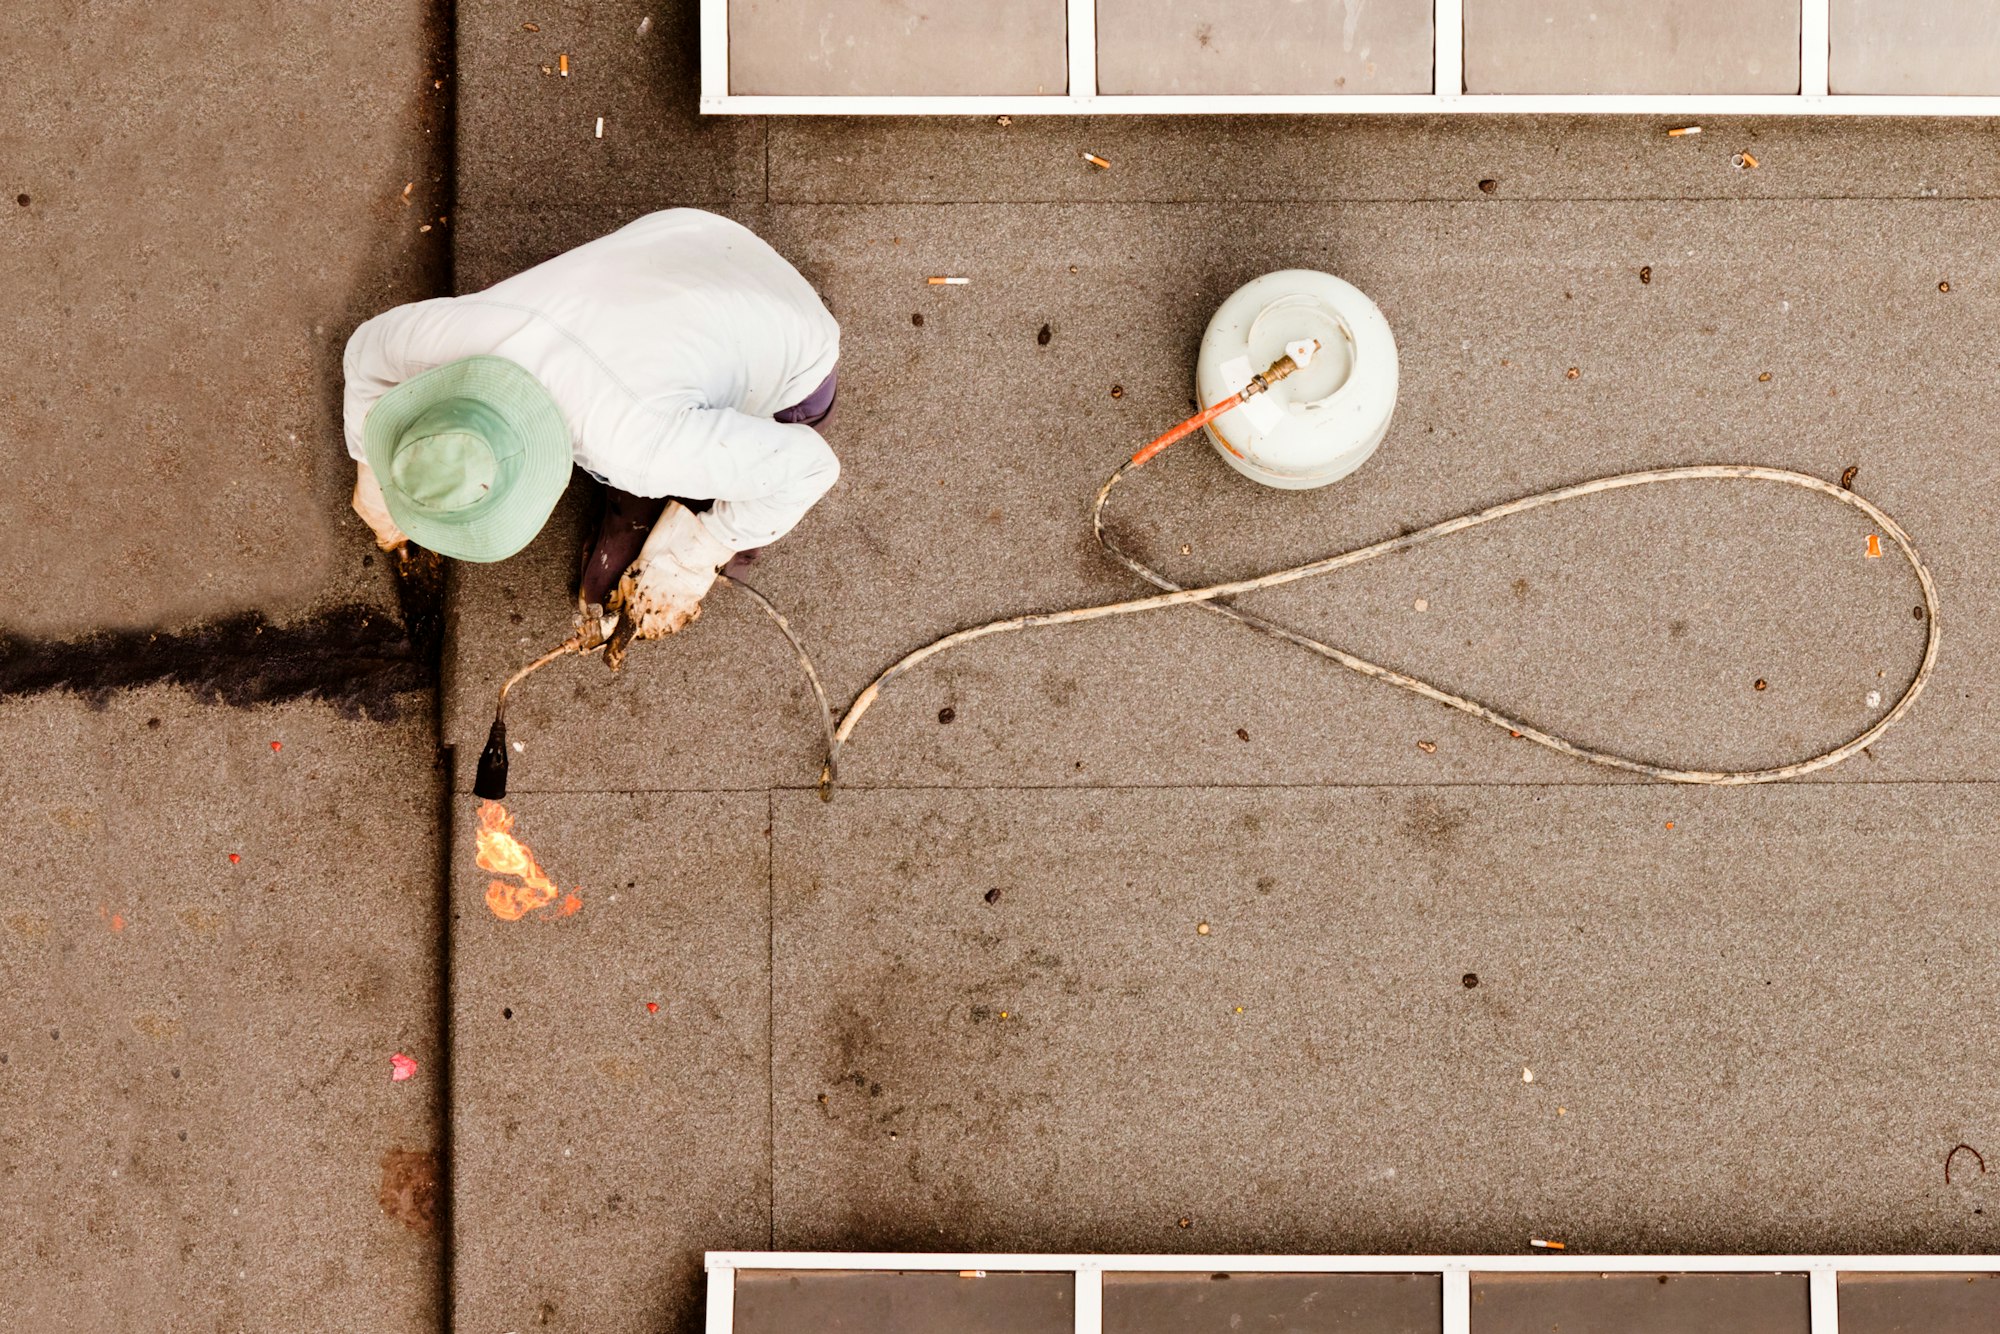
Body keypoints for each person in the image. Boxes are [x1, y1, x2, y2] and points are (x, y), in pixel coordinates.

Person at [343, 208, 840, 646]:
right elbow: (367, 350)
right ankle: (673, 478)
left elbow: (810, 466)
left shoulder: (632, 448)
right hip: (691, 240)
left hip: (791, 346)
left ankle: (703, 514)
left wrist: (700, 552)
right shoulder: (449, 338)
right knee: (610, 575)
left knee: (729, 523)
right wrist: (372, 466)